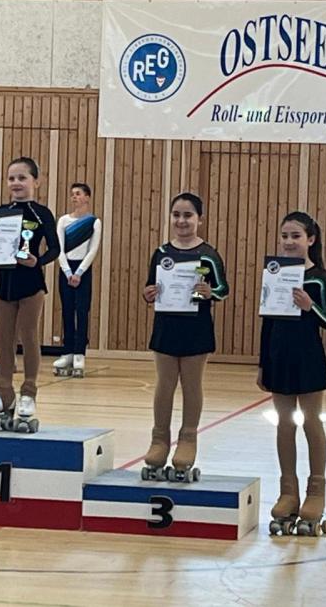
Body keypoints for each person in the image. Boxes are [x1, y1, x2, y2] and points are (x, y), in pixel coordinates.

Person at [259, 212, 326, 537]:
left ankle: (315, 492)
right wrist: (263, 363)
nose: (289, 242)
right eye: (285, 236)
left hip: (308, 357)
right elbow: (267, 320)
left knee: (311, 420)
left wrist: (310, 306)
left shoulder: (320, 278)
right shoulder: (275, 272)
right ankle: (288, 492)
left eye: (296, 236)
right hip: (279, 357)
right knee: (284, 423)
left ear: (311, 239)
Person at [141, 193, 229, 482]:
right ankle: (159, 440)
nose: (181, 220)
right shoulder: (161, 252)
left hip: (196, 327)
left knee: (191, 385)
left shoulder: (209, 254)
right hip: (166, 325)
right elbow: (150, 286)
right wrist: (148, 294)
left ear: (199, 219)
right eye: (176, 214)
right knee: (164, 385)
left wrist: (211, 292)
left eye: (188, 215)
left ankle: (188, 439)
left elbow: (223, 289)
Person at [0, 157, 59, 432]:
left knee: (29, 337)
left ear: (36, 181)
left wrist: (38, 261)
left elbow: (55, 249)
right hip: (4, 285)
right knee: (3, 340)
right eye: (11, 178)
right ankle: (4, 393)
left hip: (31, 285)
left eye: (22, 178)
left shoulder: (42, 214)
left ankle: (29, 392)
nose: (16, 183)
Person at [54, 182, 102, 378]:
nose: (74, 196)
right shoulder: (63, 221)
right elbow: (59, 248)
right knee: (67, 310)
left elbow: (93, 249)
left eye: (78, 193)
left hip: (83, 270)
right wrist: (68, 272)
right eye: (72, 194)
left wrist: (79, 272)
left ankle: (80, 353)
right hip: (66, 270)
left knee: (82, 311)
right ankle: (67, 352)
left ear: (87, 197)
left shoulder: (93, 222)